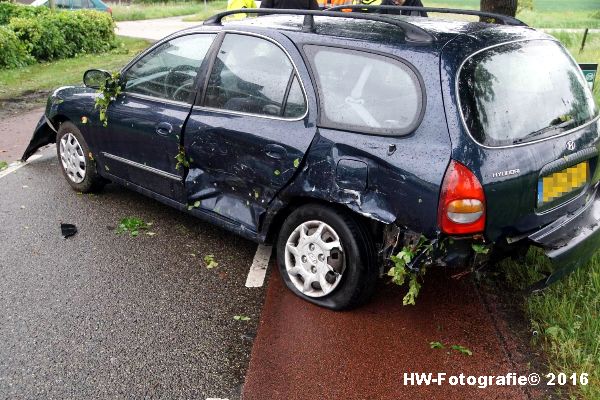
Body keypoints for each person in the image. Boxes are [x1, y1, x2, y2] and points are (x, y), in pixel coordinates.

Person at [355, 0, 428, 17]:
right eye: (394, 1)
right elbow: (377, 14)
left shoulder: (415, 2)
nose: (396, 3)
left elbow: (423, 19)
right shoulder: (387, 1)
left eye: (399, 0)